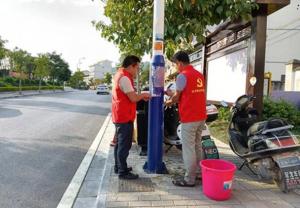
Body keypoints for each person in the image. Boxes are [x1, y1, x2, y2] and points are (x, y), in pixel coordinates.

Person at [165, 51, 207, 187]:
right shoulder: (199, 74)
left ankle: (189, 179)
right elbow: (187, 92)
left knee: (188, 148)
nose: (176, 67)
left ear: (180, 63)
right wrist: (172, 94)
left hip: (190, 117)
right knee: (197, 146)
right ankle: (199, 173)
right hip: (201, 116)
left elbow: (177, 97)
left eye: (176, 64)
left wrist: (168, 102)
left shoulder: (182, 75)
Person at [112, 55, 150, 180]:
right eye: (137, 68)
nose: (137, 71)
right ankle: (123, 172)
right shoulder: (125, 78)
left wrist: (140, 95)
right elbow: (133, 98)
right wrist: (144, 94)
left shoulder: (119, 74)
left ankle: (118, 167)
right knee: (124, 146)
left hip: (119, 115)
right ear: (131, 66)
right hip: (124, 117)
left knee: (119, 144)